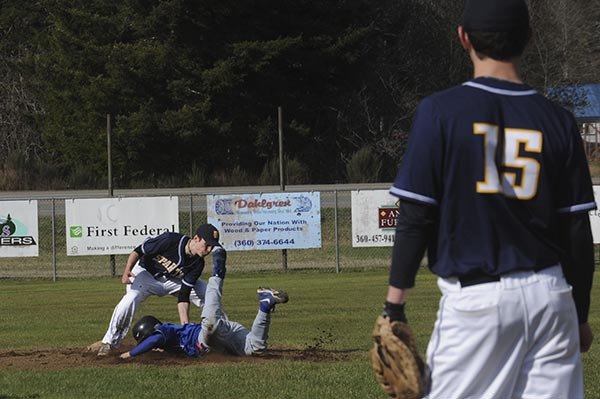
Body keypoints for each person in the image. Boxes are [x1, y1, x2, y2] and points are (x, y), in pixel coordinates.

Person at [383, 0, 596, 398]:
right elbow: (577, 233)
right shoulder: (558, 119)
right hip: (552, 298)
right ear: (529, 39)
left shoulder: (440, 112)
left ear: (463, 38)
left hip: (478, 304)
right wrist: (578, 315)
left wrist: (394, 306)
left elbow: (415, 216)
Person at [119, 247, 289, 359]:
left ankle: (218, 270)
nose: (152, 347)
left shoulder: (165, 331)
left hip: (208, 334)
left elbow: (153, 341)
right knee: (256, 348)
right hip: (223, 339)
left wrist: (129, 354)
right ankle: (265, 304)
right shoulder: (171, 345)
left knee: (210, 324)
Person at [88, 223, 222, 357]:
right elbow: (139, 251)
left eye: (212, 247)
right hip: (146, 274)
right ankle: (109, 343)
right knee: (130, 299)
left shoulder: (198, 263)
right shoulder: (170, 240)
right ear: (196, 238)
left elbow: (184, 295)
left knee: (207, 292)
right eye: (207, 245)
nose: (209, 250)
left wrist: (184, 327)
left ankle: (220, 335)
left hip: (172, 281)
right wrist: (127, 270)